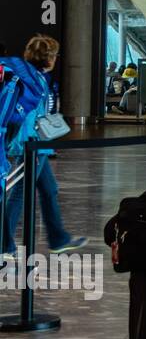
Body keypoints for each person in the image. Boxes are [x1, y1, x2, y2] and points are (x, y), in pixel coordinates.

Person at [1, 36, 87, 263]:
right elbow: (27, 116)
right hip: (30, 145)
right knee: (19, 194)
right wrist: (34, 142)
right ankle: (4, 244)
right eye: (55, 55)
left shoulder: (33, 76)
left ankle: (58, 239)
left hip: (37, 145)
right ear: (49, 57)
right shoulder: (33, 80)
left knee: (49, 190)